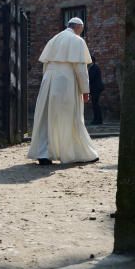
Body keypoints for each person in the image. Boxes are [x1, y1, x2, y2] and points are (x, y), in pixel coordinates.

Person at [27, 17, 99, 165]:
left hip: (48, 80)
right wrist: (85, 91)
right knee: (70, 117)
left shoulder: (54, 39)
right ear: (79, 27)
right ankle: (77, 153)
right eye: (82, 30)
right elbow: (81, 69)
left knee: (47, 118)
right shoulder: (77, 41)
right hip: (66, 82)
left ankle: (44, 153)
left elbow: (45, 65)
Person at [88, 58, 104, 125]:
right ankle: (97, 119)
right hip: (95, 89)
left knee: (95, 104)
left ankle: (97, 120)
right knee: (95, 104)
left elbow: (91, 78)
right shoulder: (93, 68)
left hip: (96, 89)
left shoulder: (94, 68)